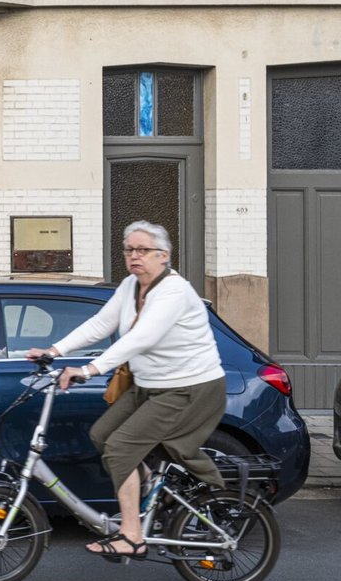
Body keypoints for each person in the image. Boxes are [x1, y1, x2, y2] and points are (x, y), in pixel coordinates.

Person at [25, 220, 226, 561]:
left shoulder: (174, 291)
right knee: (103, 435)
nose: (134, 256)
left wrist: (89, 369)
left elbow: (141, 337)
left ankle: (132, 536)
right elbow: (101, 324)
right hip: (149, 386)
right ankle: (153, 493)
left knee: (119, 449)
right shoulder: (131, 286)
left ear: (163, 256)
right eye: (129, 250)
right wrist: (55, 351)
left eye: (143, 250)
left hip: (188, 389)